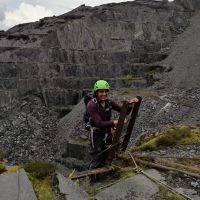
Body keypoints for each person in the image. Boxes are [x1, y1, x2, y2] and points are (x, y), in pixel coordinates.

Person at [87, 80, 139, 169]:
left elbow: (124, 111)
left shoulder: (109, 102)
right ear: (96, 93)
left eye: (106, 91)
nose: (104, 94)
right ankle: (93, 179)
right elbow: (99, 123)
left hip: (108, 132)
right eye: (101, 92)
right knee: (97, 156)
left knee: (108, 154)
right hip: (97, 134)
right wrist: (116, 122)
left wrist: (130, 103)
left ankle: (104, 176)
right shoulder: (92, 105)